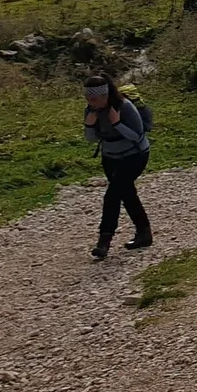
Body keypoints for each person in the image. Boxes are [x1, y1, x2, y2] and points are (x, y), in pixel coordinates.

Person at [83, 74, 152, 259]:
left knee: (112, 195)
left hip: (135, 156)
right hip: (110, 158)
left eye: (94, 98)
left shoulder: (125, 107)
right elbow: (91, 139)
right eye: (88, 98)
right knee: (126, 194)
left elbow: (137, 135)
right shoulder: (91, 110)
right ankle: (144, 234)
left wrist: (117, 124)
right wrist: (89, 125)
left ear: (106, 95)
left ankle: (104, 242)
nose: (91, 102)